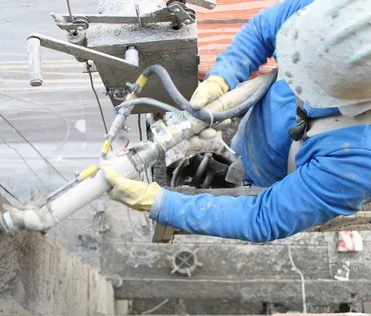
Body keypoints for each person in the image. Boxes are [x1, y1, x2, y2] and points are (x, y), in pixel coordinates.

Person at [100, 0, 371, 242]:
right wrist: (223, 77)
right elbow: (264, 30)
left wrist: (160, 203)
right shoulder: (343, 14)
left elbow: (263, 216)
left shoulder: (357, 163)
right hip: (256, 127)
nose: (294, 73)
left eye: (306, 80)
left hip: (269, 173)